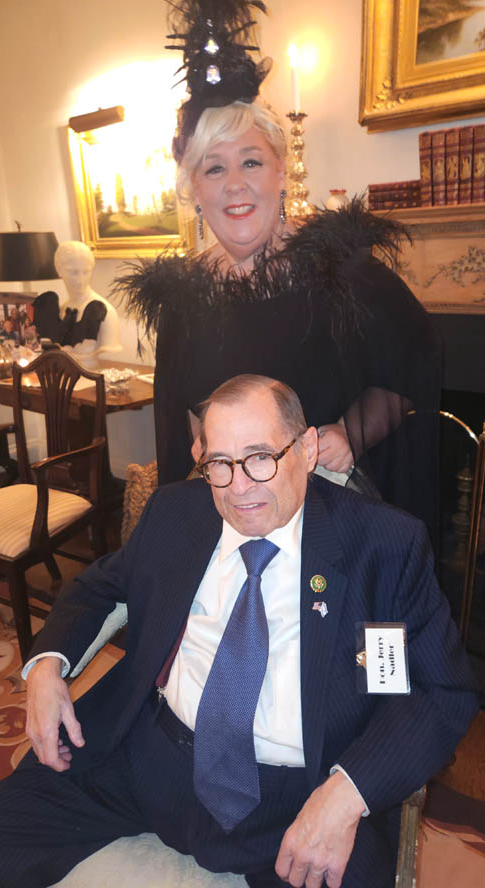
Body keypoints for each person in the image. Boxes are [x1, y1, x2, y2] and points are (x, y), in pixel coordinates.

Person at [0, 373, 477, 888]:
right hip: (144, 753)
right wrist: (45, 669)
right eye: (219, 463)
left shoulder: (383, 545)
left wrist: (344, 795)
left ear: (307, 449)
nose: (239, 486)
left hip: (298, 795)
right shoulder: (179, 511)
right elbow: (99, 587)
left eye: (261, 457)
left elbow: (438, 690)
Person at [115, 0, 441, 542]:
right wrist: (204, 444)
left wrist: (348, 436)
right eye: (213, 168)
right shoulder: (182, 297)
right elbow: (182, 423)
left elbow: (414, 359)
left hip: (329, 514)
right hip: (229, 517)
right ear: (194, 190)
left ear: (281, 172)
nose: (235, 184)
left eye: (251, 161)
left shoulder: (341, 271)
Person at [34, 240, 123, 368]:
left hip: (91, 377)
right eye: (73, 272)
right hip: (62, 379)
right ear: (59, 270)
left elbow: (109, 352)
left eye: (86, 272)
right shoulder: (62, 310)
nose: (80, 280)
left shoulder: (105, 312)